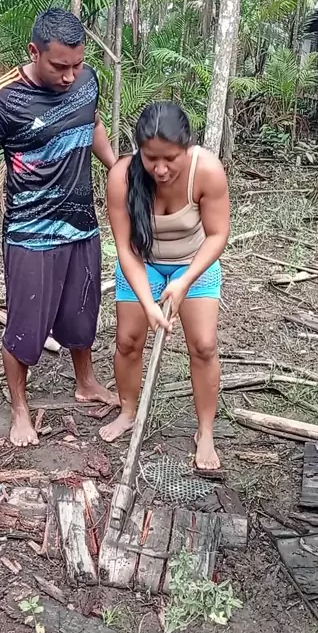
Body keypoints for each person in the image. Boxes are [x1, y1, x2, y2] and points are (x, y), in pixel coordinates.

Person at [0, 8, 117, 447]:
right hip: (30, 234)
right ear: (34, 52)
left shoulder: (87, 81)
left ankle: (85, 381)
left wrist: (116, 166)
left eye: (77, 65)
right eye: (59, 66)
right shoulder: (2, 98)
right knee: (25, 327)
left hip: (82, 227)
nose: (70, 76)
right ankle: (20, 408)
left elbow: (92, 123)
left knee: (82, 313)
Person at [100, 101, 230, 470]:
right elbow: (126, 249)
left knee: (204, 346)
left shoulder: (207, 171)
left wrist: (185, 281)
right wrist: (149, 303)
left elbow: (218, 235)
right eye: (151, 158)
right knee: (128, 341)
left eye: (170, 158)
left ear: (187, 146)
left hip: (194, 263)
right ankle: (128, 411)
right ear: (138, 150)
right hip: (142, 263)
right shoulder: (122, 176)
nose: (160, 169)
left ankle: (205, 431)